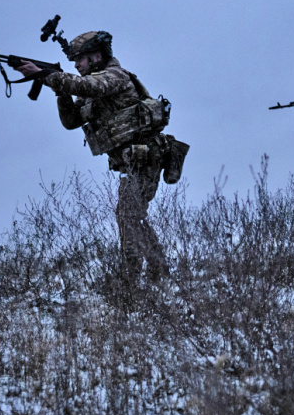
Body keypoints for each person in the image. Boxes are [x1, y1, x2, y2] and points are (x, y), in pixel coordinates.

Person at [14, 30, 187, 281]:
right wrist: (59, 91)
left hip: (146, 156)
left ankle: (131, 282)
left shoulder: (115, 77)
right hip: (128, 162)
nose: (76, 65)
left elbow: (86, 85)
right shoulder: (90, 88)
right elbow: (71, 121)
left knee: (128, 216)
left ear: (97, 56)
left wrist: (47, 75)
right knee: (130, 216)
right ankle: (158, 272)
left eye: (80, 59)